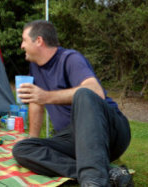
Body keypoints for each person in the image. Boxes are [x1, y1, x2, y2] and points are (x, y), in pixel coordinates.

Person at [12, 20, 133, 187]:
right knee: (22, 149)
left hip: (108, 130)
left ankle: (94, 182)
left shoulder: (70, 58)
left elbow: (94, 91)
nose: (21, 45)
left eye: (24, 40)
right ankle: (109, 173)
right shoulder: (35, 68)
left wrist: (45, 96)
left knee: (84, 94)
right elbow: (36, 102)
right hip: (73, 139)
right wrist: (34, 140)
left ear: (38, 40)